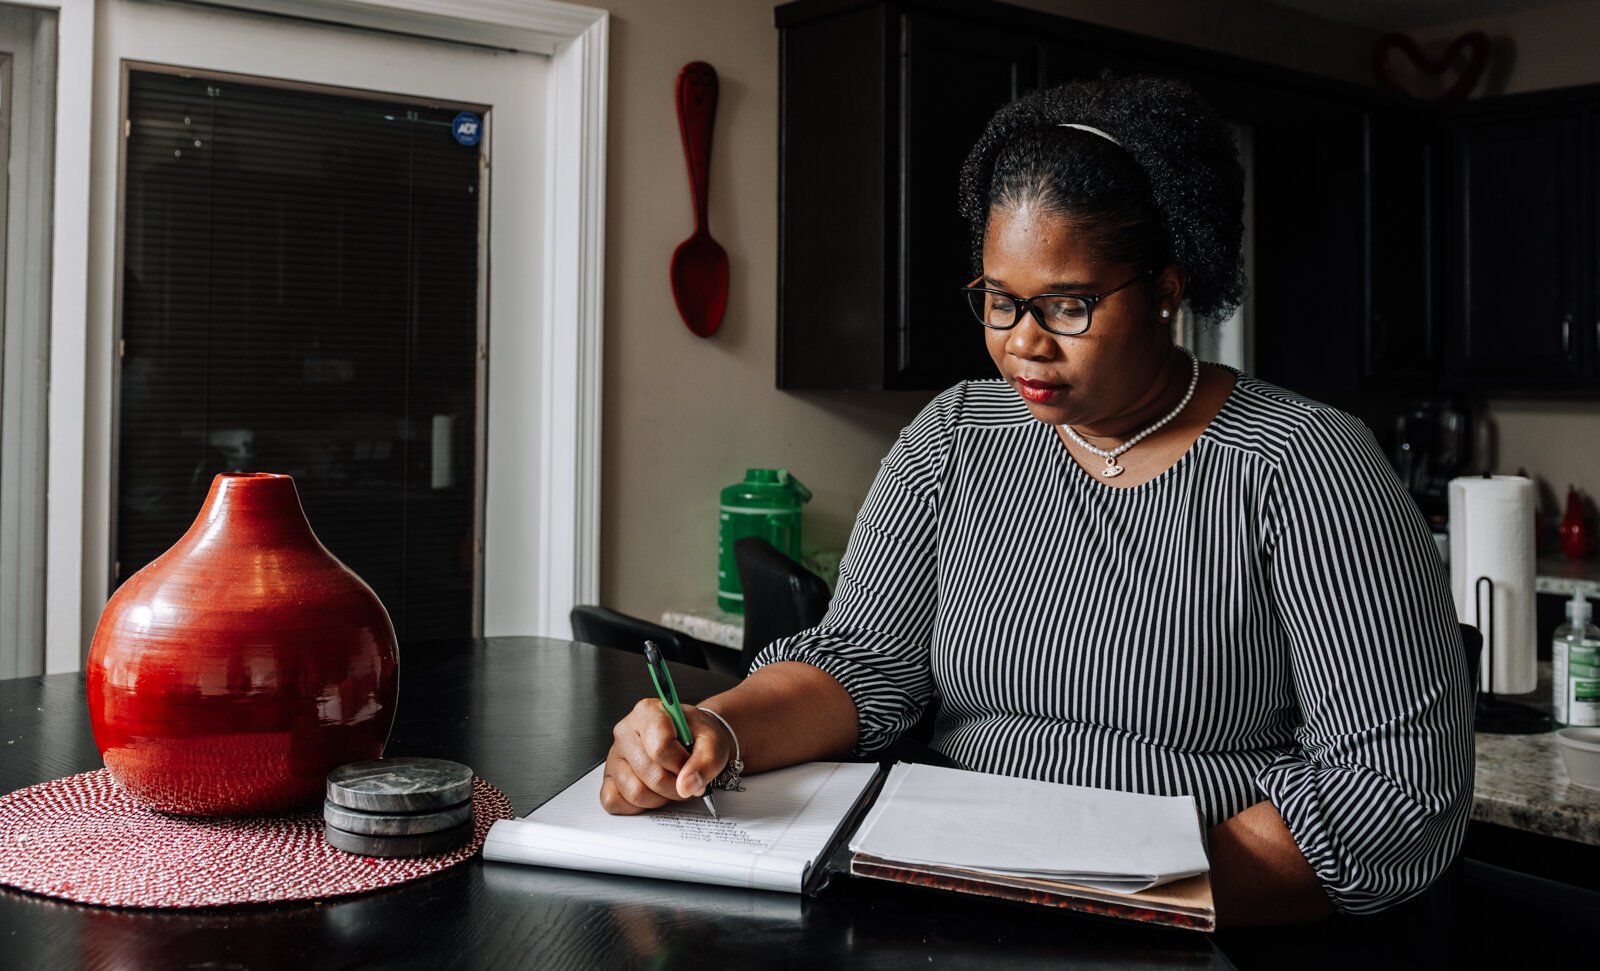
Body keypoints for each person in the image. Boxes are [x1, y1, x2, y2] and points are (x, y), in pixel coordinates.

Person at [601, 75, 1473, 942]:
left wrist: (1122, 899)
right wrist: (717, 727)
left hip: (1189, 922)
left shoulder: (1306, 465)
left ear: (1168, 286)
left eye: (1068, 304)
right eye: (999, 298)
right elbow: (860, 661)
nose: (1023, 339)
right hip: (943, 900)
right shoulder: (954, 435)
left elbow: (1394, 793)